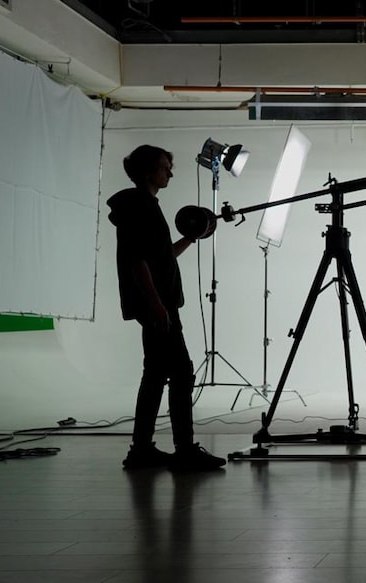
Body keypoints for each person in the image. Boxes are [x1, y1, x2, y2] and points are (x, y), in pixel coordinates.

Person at [108, 145, 226, 472]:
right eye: (164, 168)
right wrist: (156, 304)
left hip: (160, 303)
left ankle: (141, 450)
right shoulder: (138, 207)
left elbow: (161, 256)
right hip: (158, 305)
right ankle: (183, 451)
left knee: (156, 374)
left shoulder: (145, 206)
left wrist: (192, 236)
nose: (169, 173)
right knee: (182, 372)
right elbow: (137, 261)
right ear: (148, 171)